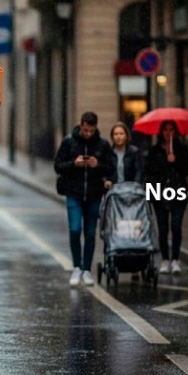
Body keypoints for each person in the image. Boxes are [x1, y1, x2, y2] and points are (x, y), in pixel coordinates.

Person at [54, 112, 113, 286]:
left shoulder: (102, 144)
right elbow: (58, 166)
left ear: (95, 128)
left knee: (89, 233)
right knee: (74, 229)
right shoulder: (68, 142)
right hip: (74, 193)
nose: (88, 134)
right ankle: (76, 267)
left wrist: (97, 165)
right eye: (85, 130)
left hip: (94, 194)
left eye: (91, 130)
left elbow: (110, 167)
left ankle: (87, 269)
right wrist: (74, 163)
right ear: (80, 125)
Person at [142, 122, 188, 274]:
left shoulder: (182, 149)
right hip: (160, 194)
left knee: (176, 226)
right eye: (165, 129)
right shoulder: (155, 150)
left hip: (178, 193)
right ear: (161, 132)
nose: (168, 132)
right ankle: (165, 259)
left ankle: (176, 259)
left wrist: (175, 160)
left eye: (171, 129)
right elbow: (149, 170)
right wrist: (165, 161)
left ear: (176, 132)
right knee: (163, 228)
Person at [107, 123, 146, 187]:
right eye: (116, 134)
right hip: (114, 190)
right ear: (112, 137)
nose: (118, 137)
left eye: (121, 134)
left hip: (131, 189)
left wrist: (135, 185)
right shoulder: (109, 152)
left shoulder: (134, 152)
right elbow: (105, 170)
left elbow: (139, 171)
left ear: (126, 135)